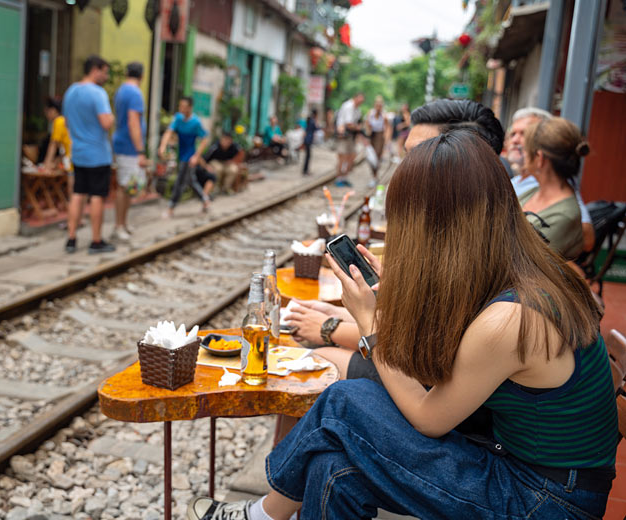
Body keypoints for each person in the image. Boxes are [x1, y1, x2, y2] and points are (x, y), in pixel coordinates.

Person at [186, 129, 617, 520]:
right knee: (332, 468)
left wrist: (371, 320)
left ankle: (260, 516)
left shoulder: (510, 317)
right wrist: (392, 300)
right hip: (523, 467)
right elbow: (441, 364)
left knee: (345, 402)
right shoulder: (521, 270)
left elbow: (430, 419)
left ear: (440, 227)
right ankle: (263, 515)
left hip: (545, 498)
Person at [290, 98, 507, 381]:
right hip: (429, 372)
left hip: (437, 387)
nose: (405, 169)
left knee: (316, 361)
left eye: (418, 156)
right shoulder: (457, 220)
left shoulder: (466, 241)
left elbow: (420, 346)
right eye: (406, 156)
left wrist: (329, 327)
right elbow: (414, 324)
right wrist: (341, 315)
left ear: (464, 159)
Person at [506, 107, 595, 252]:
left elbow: (526, 261)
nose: (516, 142)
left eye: (526, 142)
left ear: (539, 159)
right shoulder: (535, 190)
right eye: (513, 134)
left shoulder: (563, 214)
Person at [62, 55, 115, 254]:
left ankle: (71, 238)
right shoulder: (98, 94)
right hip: (98, 154)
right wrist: (112, 117)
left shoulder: (71, 91)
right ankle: (96, 240)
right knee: (96, 197)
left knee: (77, 194)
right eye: (105, 72)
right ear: (95, 70)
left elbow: (66, 123)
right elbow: (106, 123)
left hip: (78, 153)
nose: (106, 76)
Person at [112, 62, 148, 242]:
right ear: (142, 76)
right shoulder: (134, 93)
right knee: (125, 187)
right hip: (129, 147)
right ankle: (118, 226)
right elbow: (134, 122)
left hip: (123, 144)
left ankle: (123, 223)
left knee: (127, 186)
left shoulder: (121, 91)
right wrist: (140, 150)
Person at [159, 96, 211, 218]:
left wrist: (196, 156)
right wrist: (162, 146)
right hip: (181, 154)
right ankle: (205, 199)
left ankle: (171, 207)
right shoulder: (178, 118)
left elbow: (204, 139)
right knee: (190, 181)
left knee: (180, 181)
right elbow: (169, 132)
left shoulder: (196, 122)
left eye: (184, 106)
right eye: (180, 106)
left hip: (190, 156)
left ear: (190, 108)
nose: (181, 108)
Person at [39, 98, 73, 194]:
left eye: (47, 112)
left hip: (73, 159)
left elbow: (53, 145)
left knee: (73, 191)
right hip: (76, 157)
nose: (46, 115)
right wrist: (55, 162)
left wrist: (46, 165)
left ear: (53, 110)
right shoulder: (65, 120)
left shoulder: (58, 121)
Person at [334, 93, 364, 187]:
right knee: (342, 157)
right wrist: (358, 128)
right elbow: (348, 124)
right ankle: (339, 178)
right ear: (355, 98)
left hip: (351, 136)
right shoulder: (348, 106)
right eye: (359, 100)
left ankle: (344, 177)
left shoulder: (357, 109)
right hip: (343, 135)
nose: (360, 102)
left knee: (351, 156)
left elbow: (356, 123)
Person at [365, 95, 390, 173]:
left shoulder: (384, 115)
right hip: (372, 134)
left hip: (380, 135)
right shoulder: (371, 113)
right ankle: (373, 172)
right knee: (371, 155)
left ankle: (375, 173)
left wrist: (386, 140)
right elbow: (366, 124)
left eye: (380, 105)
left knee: (377, 154)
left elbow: (387, 128)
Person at [301, 109, 318, 175]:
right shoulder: (312, 121)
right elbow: (316, 128)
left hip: (307, 139)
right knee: (308, 156)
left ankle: (305, 170)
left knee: (307, 156)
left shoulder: (309, 120)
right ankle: (305, 170)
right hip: (308, 140)